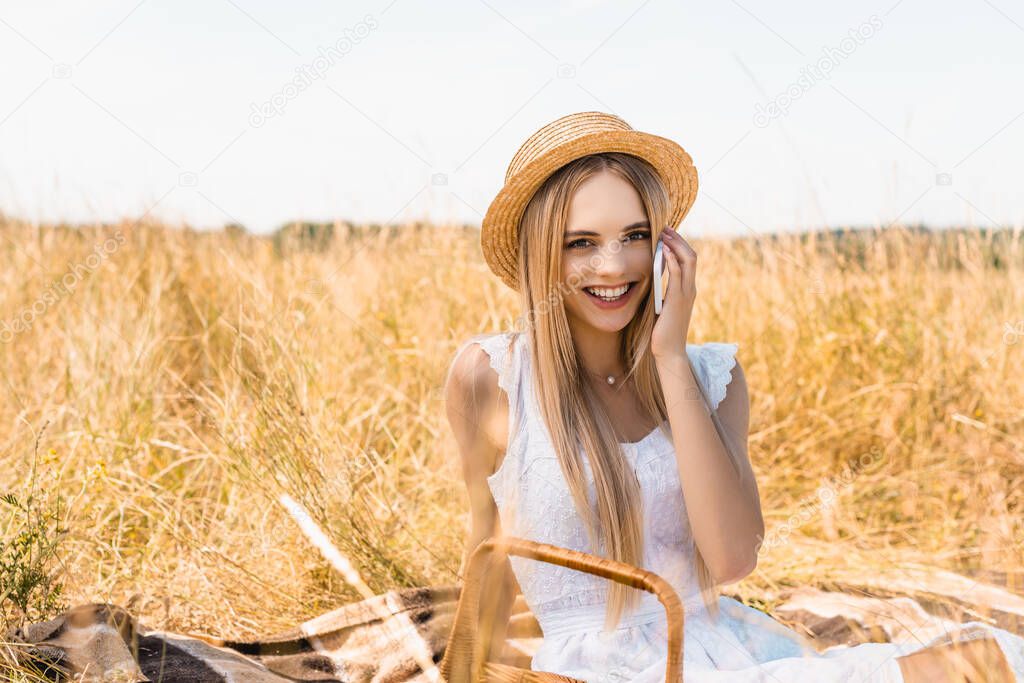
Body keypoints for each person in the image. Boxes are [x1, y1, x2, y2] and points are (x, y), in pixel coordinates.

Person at [443, 111, 1023, 681]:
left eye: (636, 235)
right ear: (542, 254)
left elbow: (732, 560)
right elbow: (488, 549)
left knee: (994, 657)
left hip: (727, 648)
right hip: (602, 669)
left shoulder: (712, 376)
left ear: (666, 244)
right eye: (581, 243)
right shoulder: (494, 376)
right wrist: (461, 670)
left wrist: (671, 359)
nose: (613, 264)